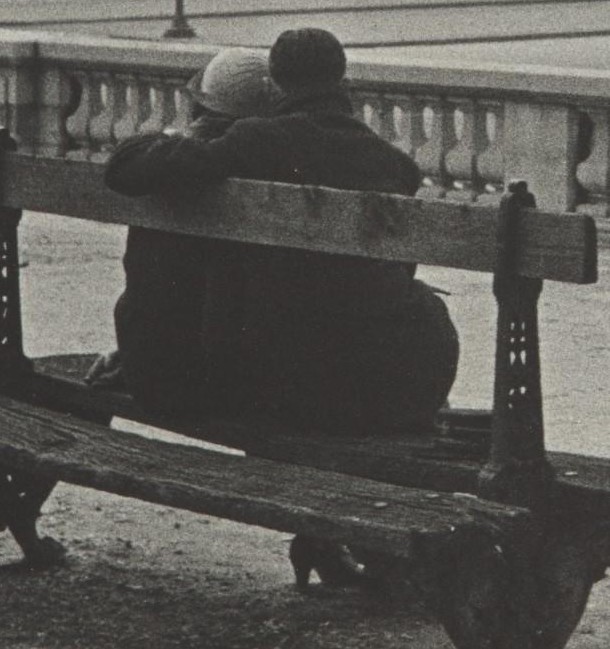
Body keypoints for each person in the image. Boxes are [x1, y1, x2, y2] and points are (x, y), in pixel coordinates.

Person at [101, 27, 459, 435]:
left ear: (275, 85)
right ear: (343, 79)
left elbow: (129, 171)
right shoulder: (393, 163)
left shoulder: (255, 142)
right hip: (374, 382)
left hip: (280, 383)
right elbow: (400, 270)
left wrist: (166, 139)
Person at [87, 47, 276, 412]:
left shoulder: (163, 165)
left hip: (153, 371)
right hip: (231, 384)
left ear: (200, 106)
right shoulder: (258, 166)